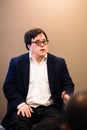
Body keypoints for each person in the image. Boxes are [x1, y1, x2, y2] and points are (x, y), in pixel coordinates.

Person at [1, 28, 74, 130]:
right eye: (37, 42)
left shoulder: (58, 62)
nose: (42, 45)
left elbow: (68, 83)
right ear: (29, 46)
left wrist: (66, 93)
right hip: (26, 107)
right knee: (18, 122)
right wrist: (21, 104)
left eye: (44, 41)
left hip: (50, 108)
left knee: (57, 121)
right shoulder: (17, 62)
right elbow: (8, 87)